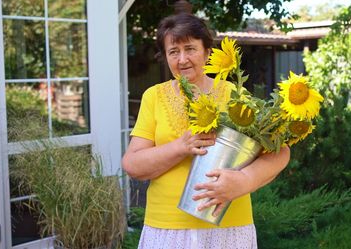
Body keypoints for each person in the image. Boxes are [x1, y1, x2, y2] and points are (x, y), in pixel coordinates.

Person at [122, 13, 290, 249]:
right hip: (167, 230)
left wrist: (244, 180)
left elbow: (280, 151)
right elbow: (133, 165)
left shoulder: (233, 93)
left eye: (190, 49)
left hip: (229, 229)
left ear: (207, 52)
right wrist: (180, 147)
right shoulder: (154, 97)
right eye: (173, 52)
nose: (182, 59)